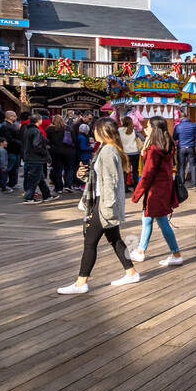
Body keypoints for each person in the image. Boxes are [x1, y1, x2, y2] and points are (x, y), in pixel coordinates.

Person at [58, 119, 139, 294]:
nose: (93, 133)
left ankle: (81, 283)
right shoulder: (105, 149)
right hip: (103, 200)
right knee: (114, 239)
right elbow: (101, 179)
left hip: (104, 203)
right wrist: (84, 176)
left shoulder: (108, 151)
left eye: (95, 130)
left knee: (90, 242)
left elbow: (110, 182)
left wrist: (108, 207)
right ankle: (131, 272)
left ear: (103, 131)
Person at [129, 115, 183, 267]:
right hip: (164, 187)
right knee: (147, 219)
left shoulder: (153, 148)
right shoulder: (167, 144)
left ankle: (176, 253)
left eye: (148, 126)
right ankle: (140, 251)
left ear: (154, 129)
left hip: (155, 190)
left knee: (161, 221)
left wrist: (136, 194)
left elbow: (147, 173)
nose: (146, 128)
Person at [20, 115, 55, 203]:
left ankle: (47, 195)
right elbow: (36, 145)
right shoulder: (36, 131)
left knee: (39, 178)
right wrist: (44, 153)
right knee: (34, 179)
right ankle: (29, 198)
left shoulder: (27, 130)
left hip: (28, 157)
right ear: (39, 120)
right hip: (35, 158)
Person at [173, 110, 196, 187]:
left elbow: (174, 137)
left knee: (181, 165)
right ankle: (194, 183)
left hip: (181, 147)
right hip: (191, 147)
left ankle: (181, 183)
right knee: (193, 165)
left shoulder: (178, 126)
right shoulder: (194, 125)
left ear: (180, 118)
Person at [0, 111, 23, 190]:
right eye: (14, 116)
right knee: (8, 168)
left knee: (15, 168)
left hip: (15, 150)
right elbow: (8, 139)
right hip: (10, 150)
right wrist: (19, 142)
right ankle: (3, 184)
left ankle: (12, 183)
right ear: (9, 117)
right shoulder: (5, 126)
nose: (16, 117)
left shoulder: (13, 125)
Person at [119, 118, 141, 186]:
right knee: (135, 171)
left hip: (125, 153)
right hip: (135, 152)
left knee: (125, 171)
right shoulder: (134, 130)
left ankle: (124, 187)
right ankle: (136, 187)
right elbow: (142, 138)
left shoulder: (119, 130)